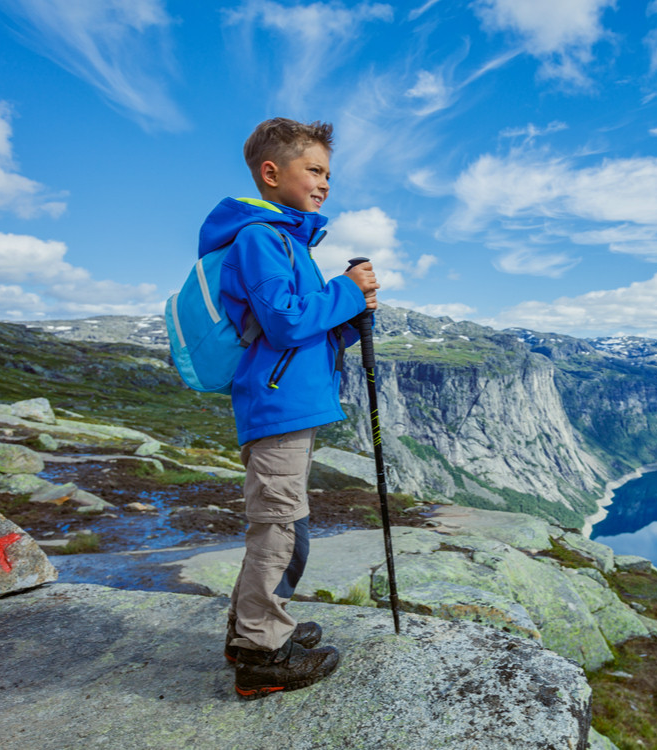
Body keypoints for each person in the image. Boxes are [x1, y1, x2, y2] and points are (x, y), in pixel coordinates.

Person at [196, 117, 379, 700]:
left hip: (290, 406)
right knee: (279, 528)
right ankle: (260, 653)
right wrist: (346, 290)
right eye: (315, 170)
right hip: (276, 409)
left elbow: (303, 334)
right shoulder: (260, 238)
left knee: (287, 525)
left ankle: (255, 626)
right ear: (271, 173)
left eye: (329, 173)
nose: (325, 183)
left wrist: (348, 321)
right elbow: (285, 321)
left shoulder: (287, 242)